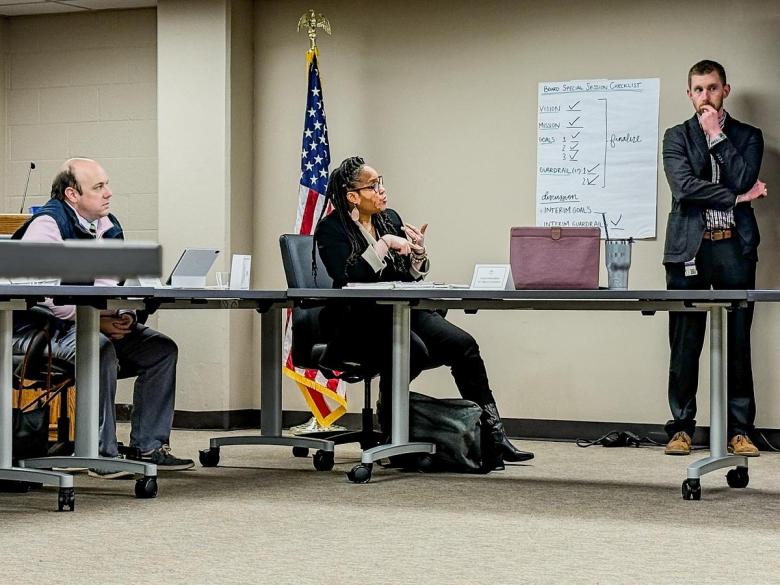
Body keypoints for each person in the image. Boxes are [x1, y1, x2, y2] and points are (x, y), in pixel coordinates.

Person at [313, 156, 533, 470]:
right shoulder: (331, 229)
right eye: (373, 186)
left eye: (381, 182)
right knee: (411, 350)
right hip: (357, 321)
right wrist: (384, 244)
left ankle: (493, 436)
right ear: (352, 196)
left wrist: (418, 256)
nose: (382, 191)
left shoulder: (389, 218)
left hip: (403, 313)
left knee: (464, 346)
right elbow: (349, 276)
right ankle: (394, 434)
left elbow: (406, 277)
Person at [12, 158, 194, 475]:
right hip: (41, 329)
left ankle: (149, 447)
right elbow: (47, 298)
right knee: (98, 348)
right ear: (72, 194)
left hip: (91, 322)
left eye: (106, 184)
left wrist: (125, 315)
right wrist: (98, 322)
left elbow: (115, 285)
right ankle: (100, 453)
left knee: (161, 350)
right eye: (98, 187)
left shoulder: (108, 226)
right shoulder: (47, 226)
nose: (108, 192)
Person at [662, 60, 767, 456]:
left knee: (738, 341)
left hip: (733, 246)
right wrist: (738, 199)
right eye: (698, 89)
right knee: (684, 341)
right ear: (689, 94)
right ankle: (681, 429)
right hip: (688, 249)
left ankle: (739, 431)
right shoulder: (676, 137)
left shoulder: (748, 136)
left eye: (712, 88)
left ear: (726, 90)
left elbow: (743, 177)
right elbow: (684, 188)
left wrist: (717, 136)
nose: (705, 96)